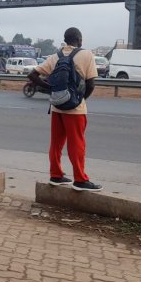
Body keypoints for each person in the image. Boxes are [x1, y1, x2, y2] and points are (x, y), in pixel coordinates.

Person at [27, 27, 102, 191]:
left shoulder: (55, 56)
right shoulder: (86, 54)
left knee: (56, 143)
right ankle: (80, 180)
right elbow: (91, 84)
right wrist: (80, 100)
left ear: (65, 40)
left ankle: (56, 175)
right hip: (75, 109)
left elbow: (32, 76)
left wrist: (50, 88)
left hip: (56, 106)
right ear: (79, 39)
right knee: (77, 143)